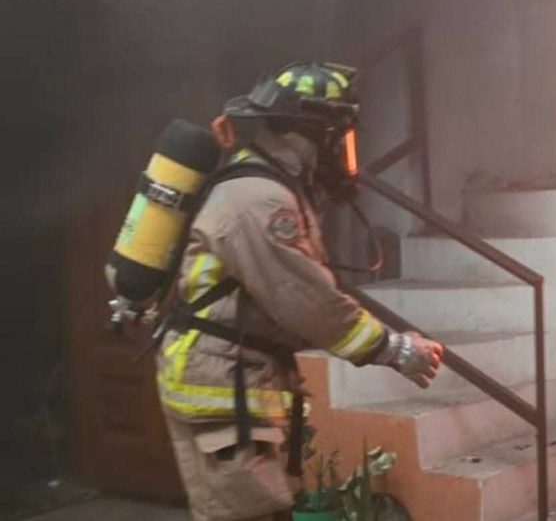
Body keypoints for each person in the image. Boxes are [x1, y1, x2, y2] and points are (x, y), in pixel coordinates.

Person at [155, 62, 444, 521]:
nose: (343, 152)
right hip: (219, 381)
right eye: (339, 137)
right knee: (245, 514)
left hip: (237, 376)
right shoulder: (258, 199)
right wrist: (394, 349)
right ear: (313, 133)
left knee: (263, 510)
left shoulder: (268, 187)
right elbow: (305, 299)